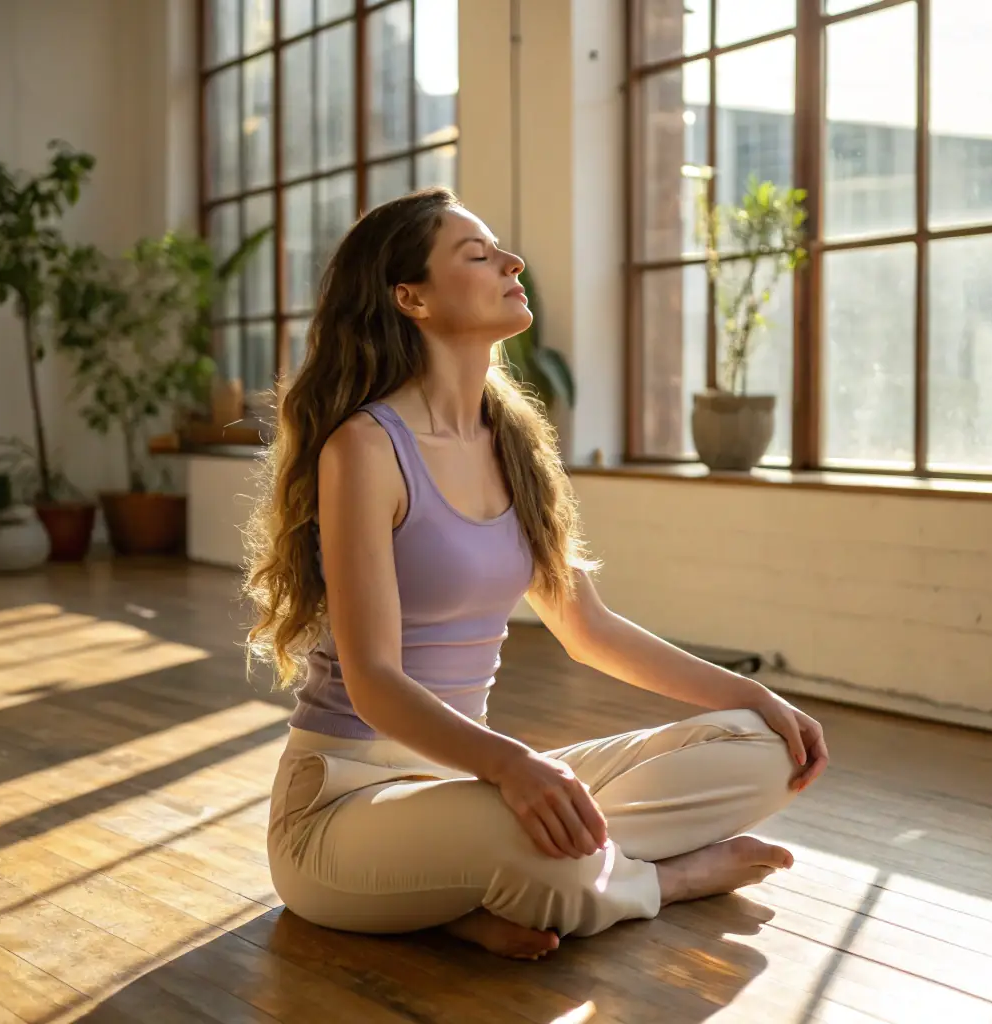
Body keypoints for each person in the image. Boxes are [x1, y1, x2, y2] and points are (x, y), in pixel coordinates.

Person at [243, 187, 828, 960]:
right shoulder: (364, 447)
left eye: (501, 249)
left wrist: (751, 694)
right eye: (478, 255)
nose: (512, 262)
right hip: (346, 802)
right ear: (409, 297)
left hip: (471, 781)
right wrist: (514, 766)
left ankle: (471, 891)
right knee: (539, 844)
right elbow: (376, 682)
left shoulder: (513, 438)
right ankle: (664, 881)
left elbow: (588, 629)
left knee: (763, 751)